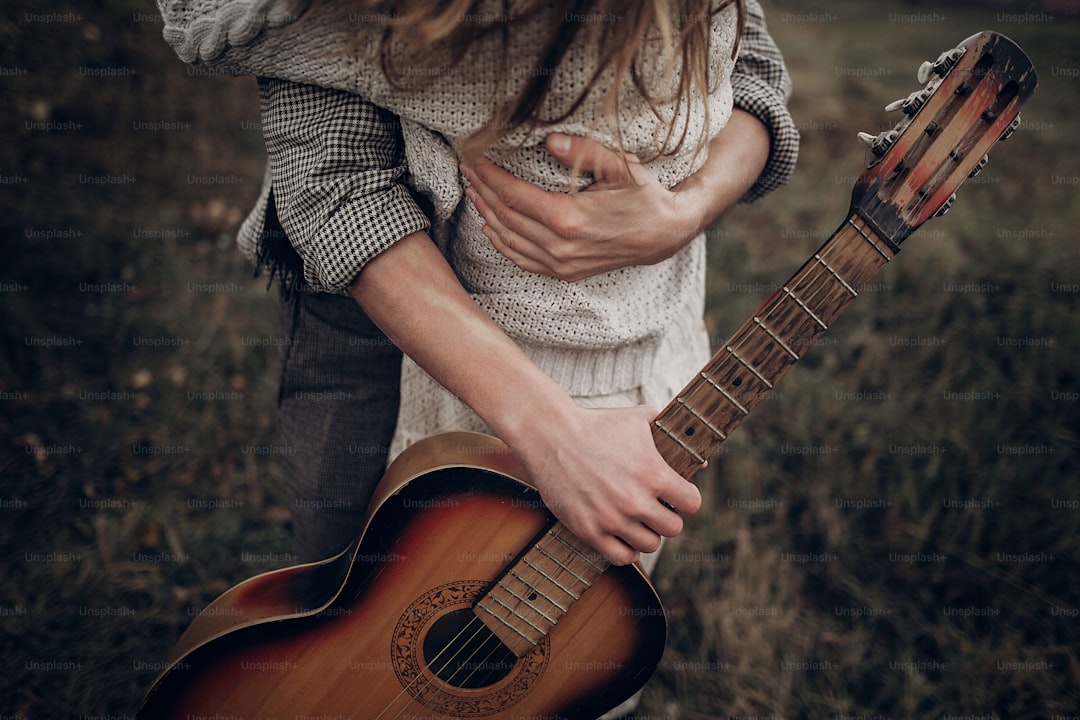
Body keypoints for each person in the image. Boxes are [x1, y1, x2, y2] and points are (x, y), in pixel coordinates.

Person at [158, 0, 797, 570]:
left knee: (573, 643)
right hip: (383, 330)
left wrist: (680, 215)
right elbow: (338, 189)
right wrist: (558, 435)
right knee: (359, 603)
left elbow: (752, 69)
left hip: (645, 323)